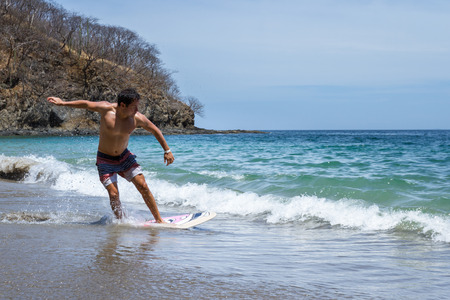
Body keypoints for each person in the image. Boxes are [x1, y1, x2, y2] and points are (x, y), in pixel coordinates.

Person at [47, 88, 174, 222]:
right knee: (114, 194)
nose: (137, 109)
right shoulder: (106, 109)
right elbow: (86, 104)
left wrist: (167, 150)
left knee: (143, 186)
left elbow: (155, 130)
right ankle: (121, 222)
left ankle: (159, 219)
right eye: (134, 106)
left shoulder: (137, 118)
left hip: (124, 157)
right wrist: (63, 103)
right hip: (105, 160)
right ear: (123, 105)